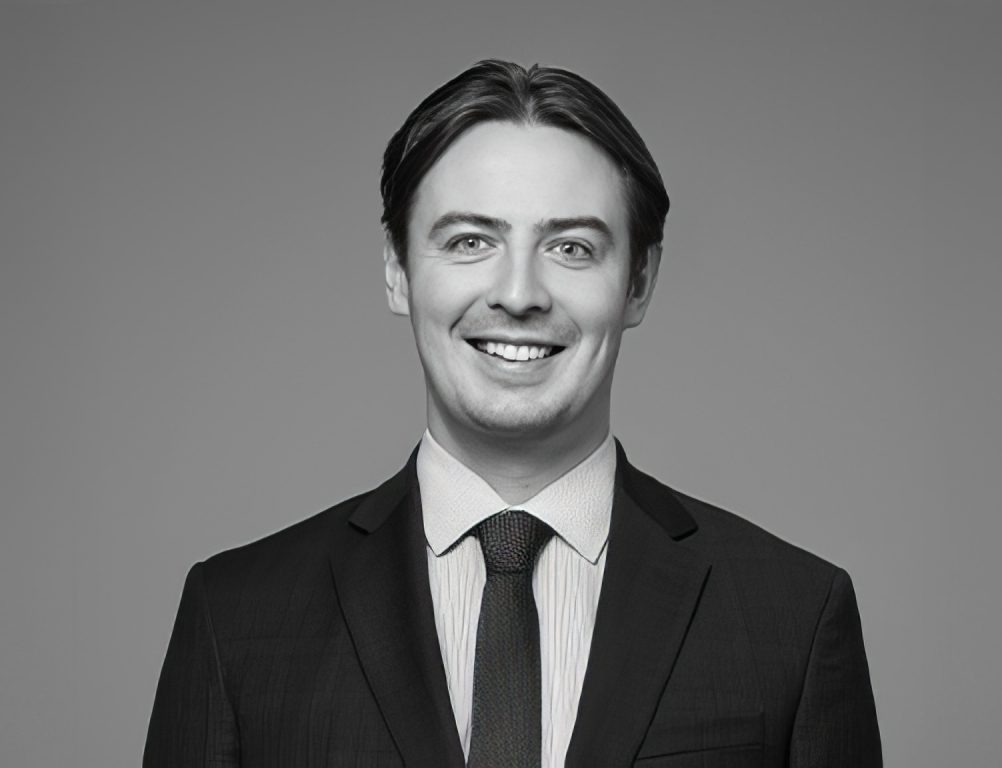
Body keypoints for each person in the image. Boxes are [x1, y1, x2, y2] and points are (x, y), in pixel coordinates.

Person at [143, 60, 882, 767]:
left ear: (638, 281)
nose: (520, 294)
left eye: (572, 247)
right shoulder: (236, 620)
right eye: (470, 241)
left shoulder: (793, 618)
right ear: (398, 269)